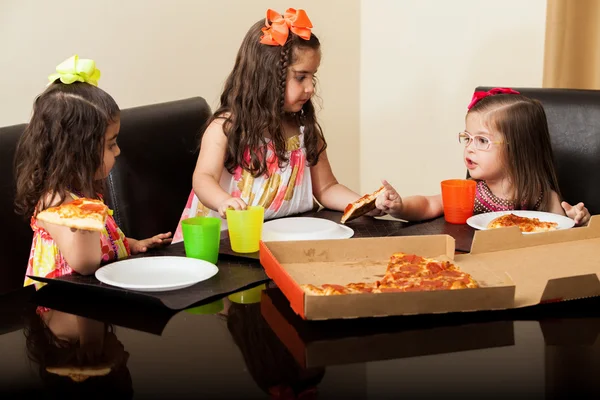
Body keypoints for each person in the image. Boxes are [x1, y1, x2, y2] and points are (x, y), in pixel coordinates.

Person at [173, 8, 379, 241]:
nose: (310, 87)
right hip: (226, 243)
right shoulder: (227, 129)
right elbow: (203, 178)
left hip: (280, 241)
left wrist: (365, 203)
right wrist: (223, 201)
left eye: (313, 76)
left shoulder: (303, 129)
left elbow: (327, 188)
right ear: (267, 77)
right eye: (301, 77)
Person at [14, 55, 171, 287]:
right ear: (76, 152)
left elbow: (101, 242)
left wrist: (131, 243)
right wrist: (85, 220)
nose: (117, 151)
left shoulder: (83, 192)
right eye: (110, 144)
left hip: (92, 294)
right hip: (63, 307)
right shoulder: (57, 202)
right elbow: (85, 263)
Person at [375, 88, 591, 225]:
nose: (469, 148)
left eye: (482, 141)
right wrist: (401, 207)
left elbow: (560, 233)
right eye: (467, 138)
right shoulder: (472, 192)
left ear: (518, 149)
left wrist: (577, 220)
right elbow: (428, 204)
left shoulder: (541, 195)